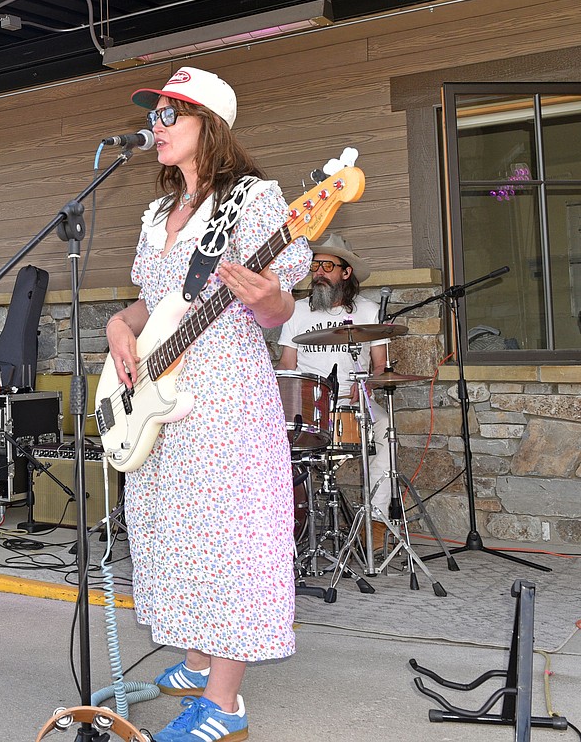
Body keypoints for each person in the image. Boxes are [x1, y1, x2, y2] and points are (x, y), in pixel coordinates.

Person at [105, 67, 309, 742]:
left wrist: (269, 300)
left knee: (227, 542)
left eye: (171, 115)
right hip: (164, 401)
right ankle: (197, 661)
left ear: (209, 127)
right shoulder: (160, 213)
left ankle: (224, 707)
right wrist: (117, 327)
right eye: (156, 115)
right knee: (171, 534)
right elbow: (150, 302)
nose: (157, 126)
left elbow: (278, 299)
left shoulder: (253, 199)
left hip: (225, 399)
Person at [277, 233, 391, 547]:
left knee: (385, 427)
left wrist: (366, 382)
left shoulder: (369, 312)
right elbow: (287, 365)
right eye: (315, 266)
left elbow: (380, 366)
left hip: (351, 401)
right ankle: (282, 525)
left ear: (346, 272)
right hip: (308, 404)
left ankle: (376, 521)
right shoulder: (295, 311)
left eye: (328, 265)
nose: (319, 272)